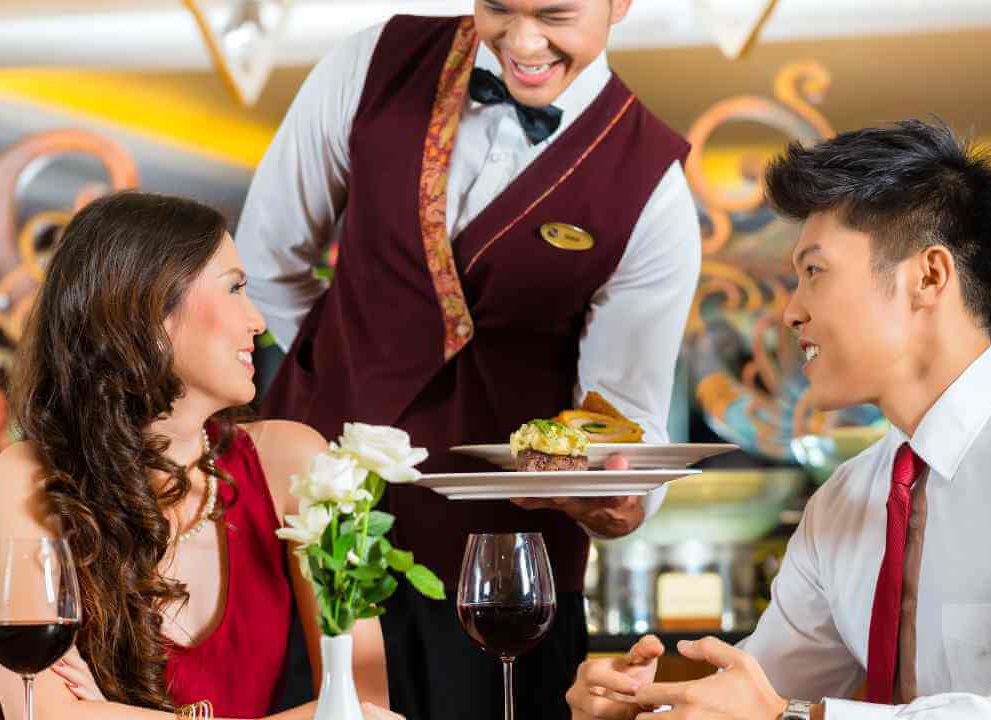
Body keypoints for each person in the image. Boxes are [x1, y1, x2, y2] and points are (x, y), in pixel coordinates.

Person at [564, 120, 991, 719]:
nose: (791, 312)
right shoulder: (845, 500)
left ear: (928, 277)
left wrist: (799, 718)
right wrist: (643, 700)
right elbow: (760, 689)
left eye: (813, 272)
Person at [234, 1, 701, 718]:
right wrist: (347, 369)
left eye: (555, 14)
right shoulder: (371, 62)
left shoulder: (652, 190)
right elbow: (267, 259)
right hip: (314, 549)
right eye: (498, 8)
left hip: (499, 580)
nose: (523, 40)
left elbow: (622, 418)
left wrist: (612, 501)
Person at [0, 191, 390, 720]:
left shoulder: (297, 461)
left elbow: (366, 705)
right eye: (236, 289)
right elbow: (43, 712)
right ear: (150, 308)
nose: (258, 322)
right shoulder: (29, 476)